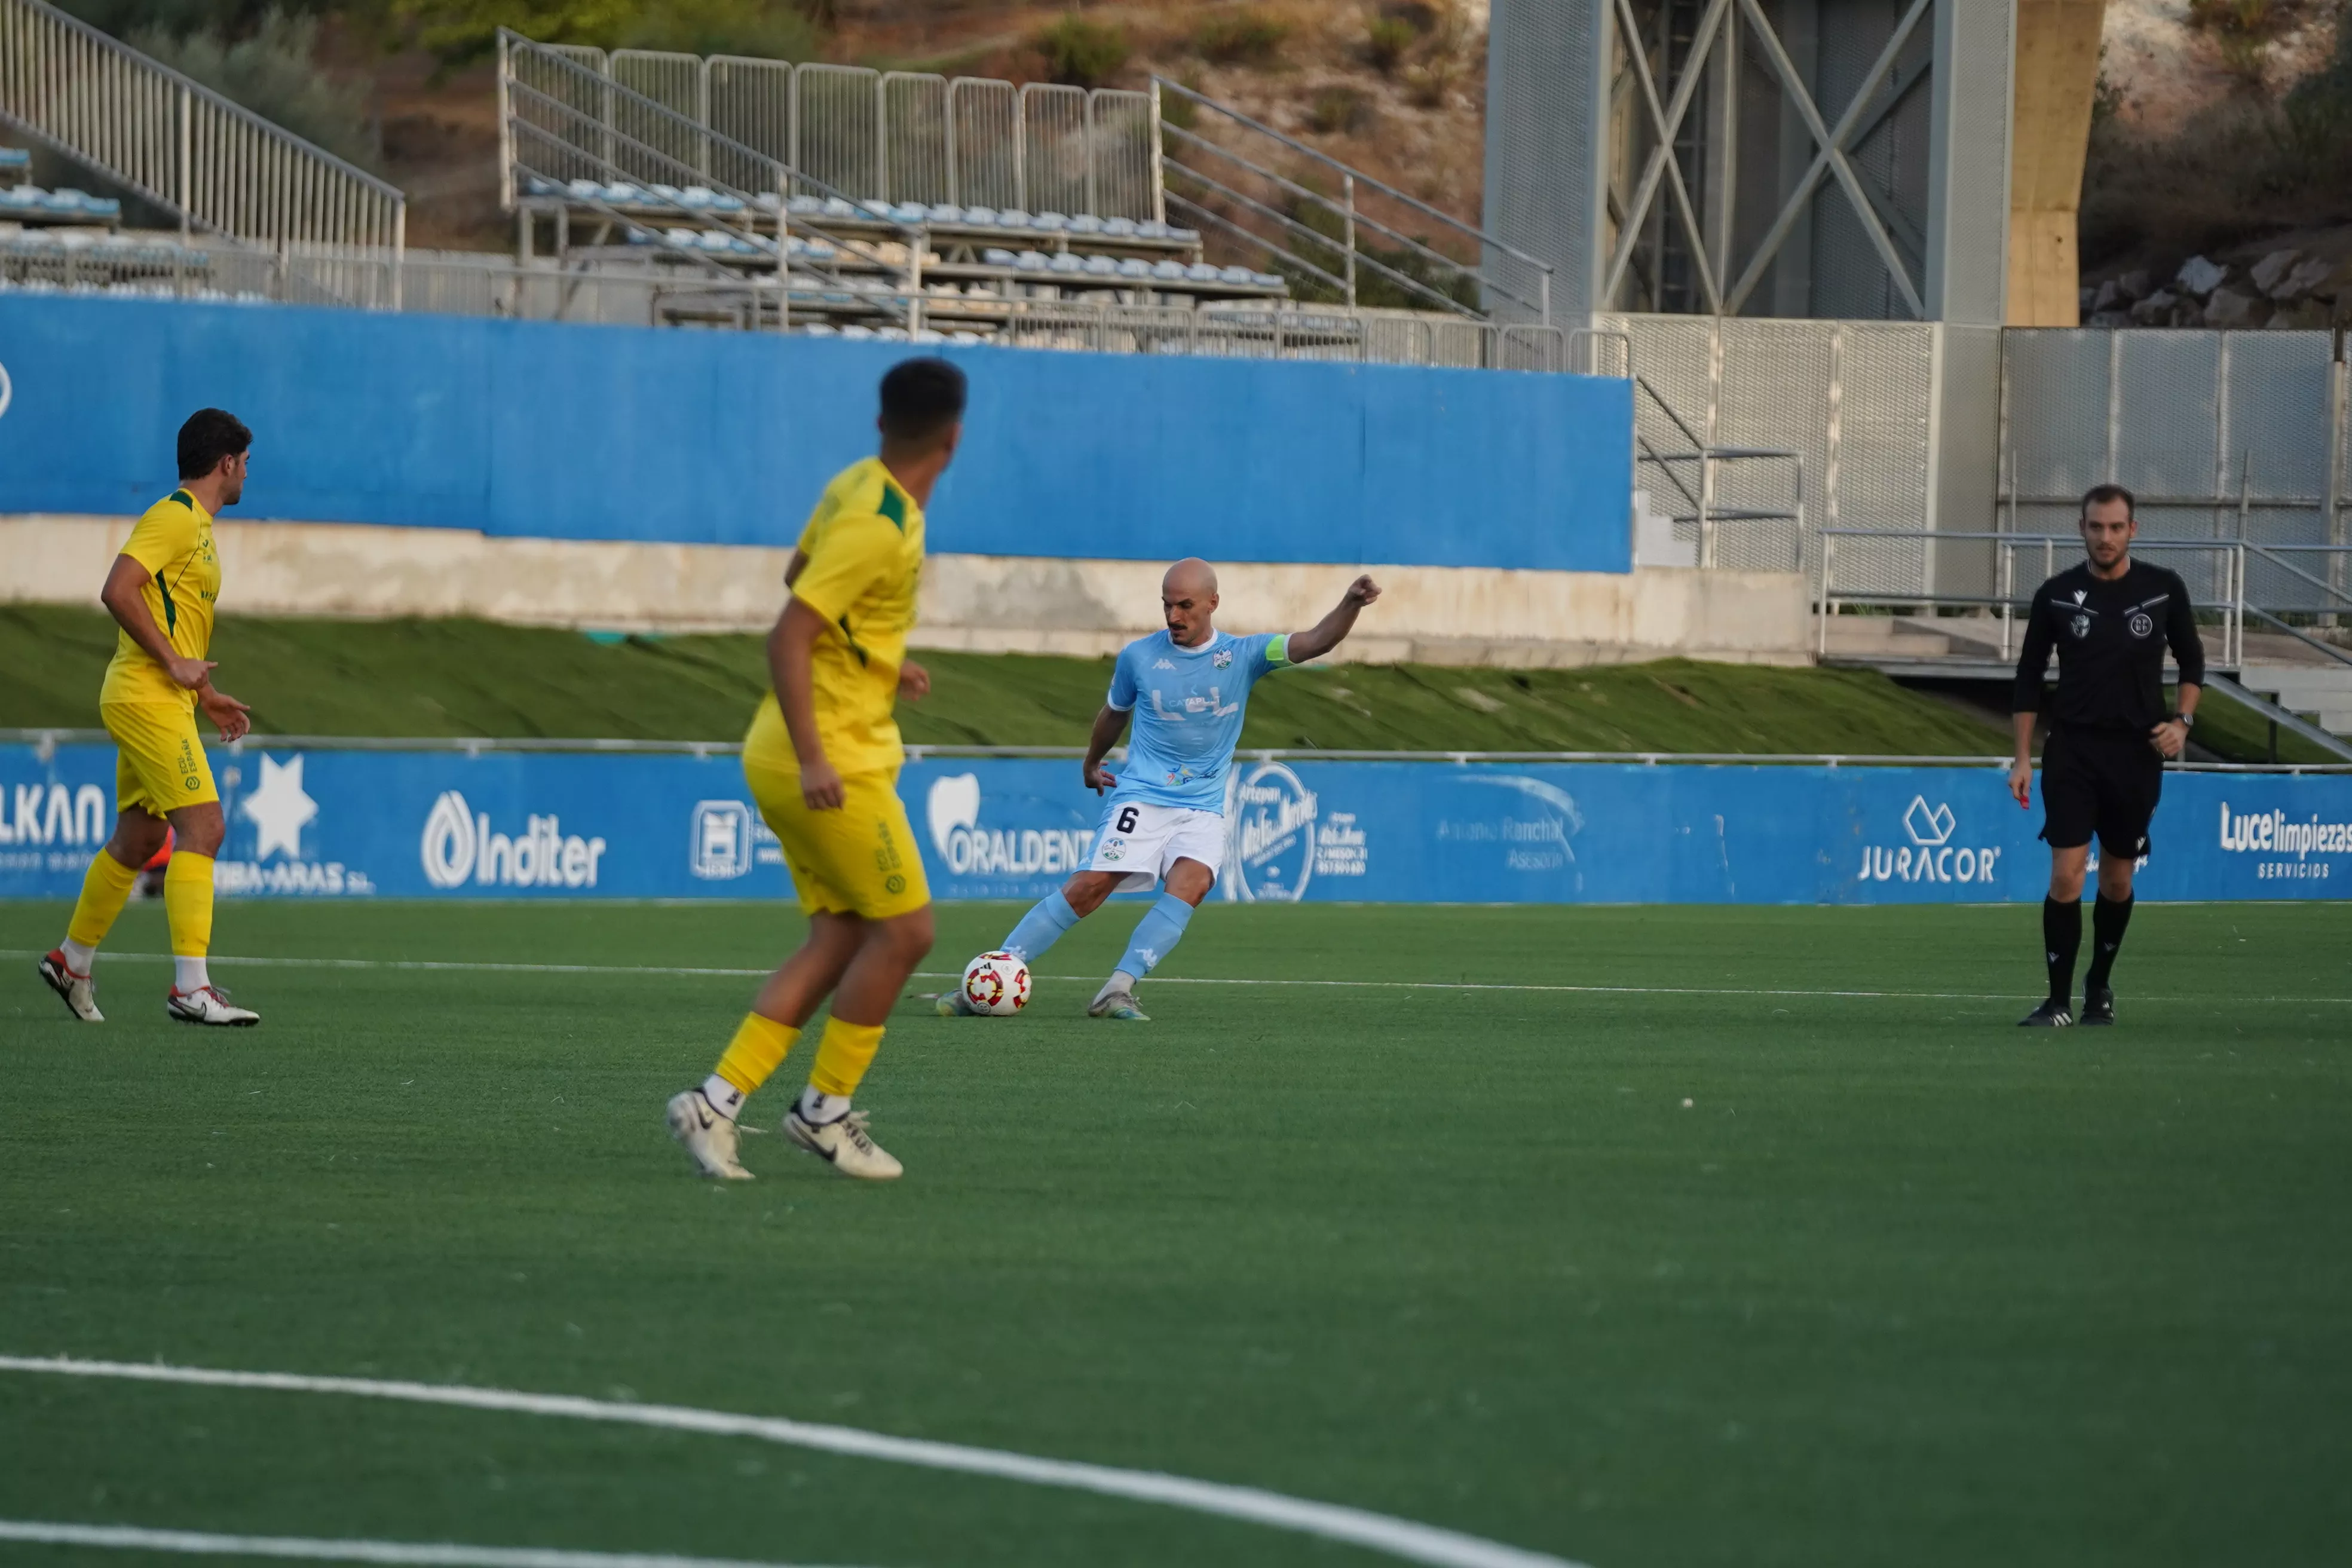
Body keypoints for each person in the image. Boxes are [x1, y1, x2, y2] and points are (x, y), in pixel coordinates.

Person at [667, 357, 966, 1182]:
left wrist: (877, 660)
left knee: (840, 939)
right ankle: (823, 1114)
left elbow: (803, 578)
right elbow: (789, 631)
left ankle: (714, 1104)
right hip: (830, 757)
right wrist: (813, 759)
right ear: (954, 438)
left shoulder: (857, 486)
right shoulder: (882, 522)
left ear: (880, 424)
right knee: (908, 933)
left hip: (802, 746)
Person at [942, 559, 1380, 1022]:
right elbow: (1115, 712)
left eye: (1186, 606)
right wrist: (1091, 762)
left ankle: (1116, 990)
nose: (1174, 616)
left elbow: (1314, 642)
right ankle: (991, 975)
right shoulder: (1139, 657)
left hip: (1203, 808)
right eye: (1168, 605)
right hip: (1143, 797)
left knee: (1192, 885)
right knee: (1090, 887)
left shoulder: (1245, 654)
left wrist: (1351, 603)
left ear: (1213, 602)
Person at [39, 409, 259, 1027]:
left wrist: (206, 692)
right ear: (226, 463)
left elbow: (176, 624)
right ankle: (192, 987)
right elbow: (118, 588)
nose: (247, 473)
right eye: (245, 461)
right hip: (146, 696)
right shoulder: (176, 518)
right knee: (205, 828)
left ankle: (71, 960)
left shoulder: (201, 530)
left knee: (139, 838)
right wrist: (171, 664)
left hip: (159, 696)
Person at [2008, 483, 2203, 1027]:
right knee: (2067, 877)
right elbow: (2028, 677)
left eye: (2116, 527)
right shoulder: (2056, 594)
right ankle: (2057, 1001)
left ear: (2132, 531)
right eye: (2096, 527)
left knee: (2117, 881)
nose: (2106, 537)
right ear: (2082, 529)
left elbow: (2193, 664)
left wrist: (2182, 723)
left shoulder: (2164, 589)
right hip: (2072, 750)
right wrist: (2022, 758)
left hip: (2136, 755)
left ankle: (2099, 984)